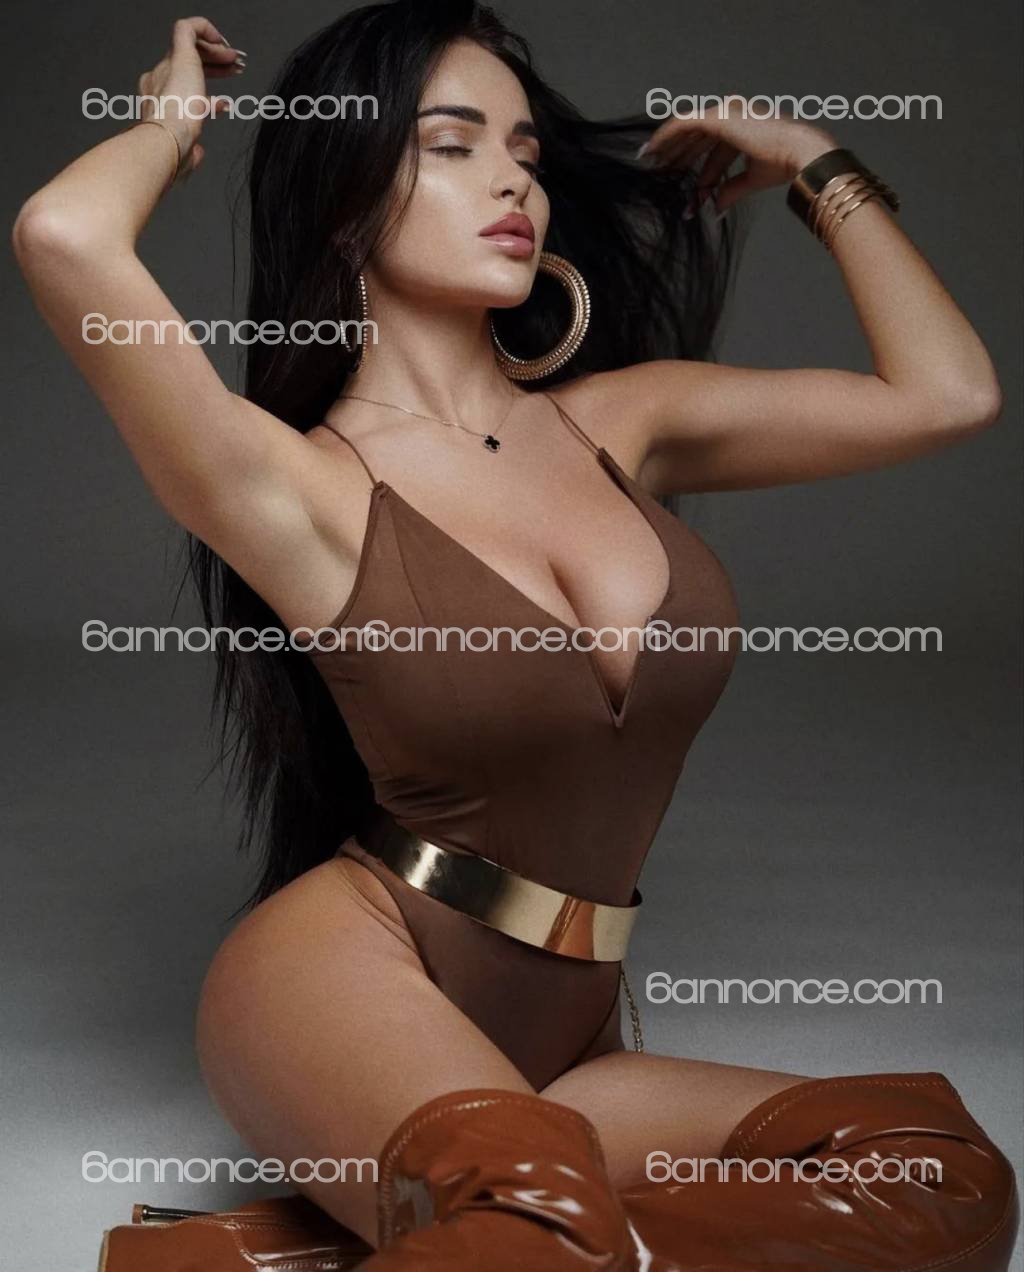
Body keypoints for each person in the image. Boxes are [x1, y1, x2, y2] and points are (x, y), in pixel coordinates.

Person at [14, 2, 1018, 1267]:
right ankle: (522, 1227)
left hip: (572, 1038)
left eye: (527, 155)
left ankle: (268, 1255)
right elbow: (63, 235)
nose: (512, 183)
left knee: (942, 1178)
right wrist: (170, 127)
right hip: (355, 971)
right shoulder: (289, 486)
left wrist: (817, 163)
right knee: (533, 1225)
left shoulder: (629, 422)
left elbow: (947, 393)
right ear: (345, 205)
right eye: (452, 146)